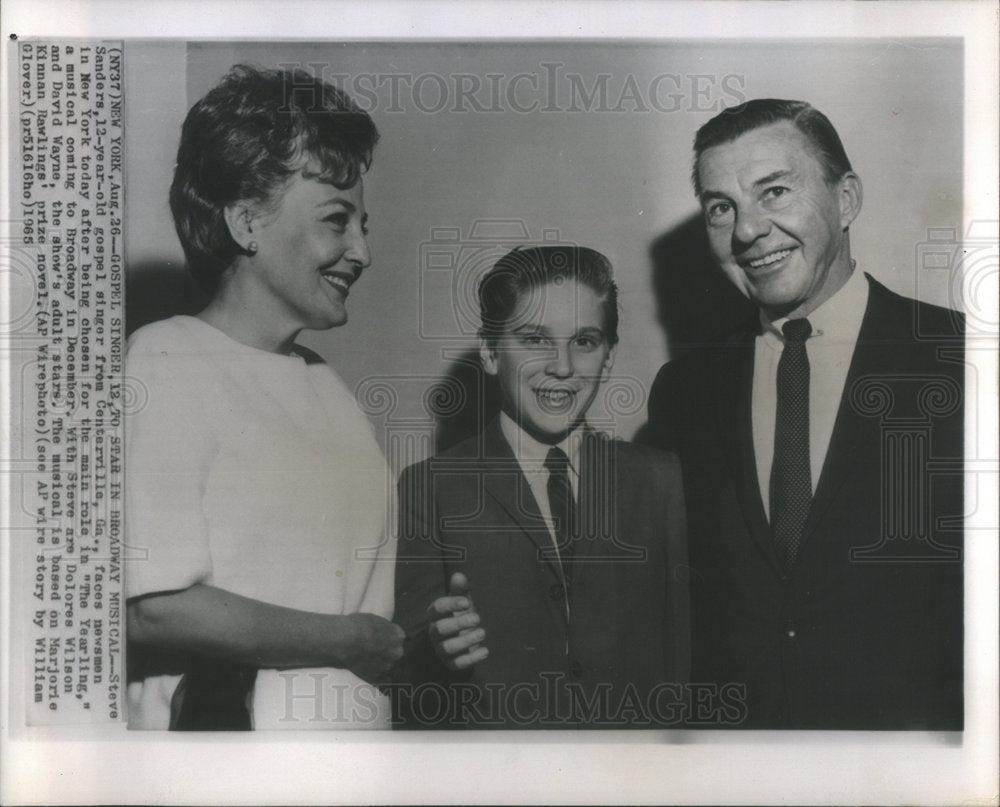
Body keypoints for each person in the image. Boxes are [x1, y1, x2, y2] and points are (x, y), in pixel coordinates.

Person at [644, 99, 964, 729]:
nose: (746, 232)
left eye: (776, 192)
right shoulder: (683, 391)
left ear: (846, 200)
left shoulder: (962, 360)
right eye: (721, 207)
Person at [125, 65, 403, 730]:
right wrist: (351, 640)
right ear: (247, 222)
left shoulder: (326, 385)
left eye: (363, 223)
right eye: (337, 220)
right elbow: (156, 607)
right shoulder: (166, 358)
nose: (361, 250)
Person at [392, 246, 690, 729]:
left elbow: (679, 662)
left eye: (585, 342)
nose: (563, 366)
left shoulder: (658, 478)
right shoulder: (431, 487)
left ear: (609, 357)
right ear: (491, 352)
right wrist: (436, 652)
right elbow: (405, 671)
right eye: (534, 339)